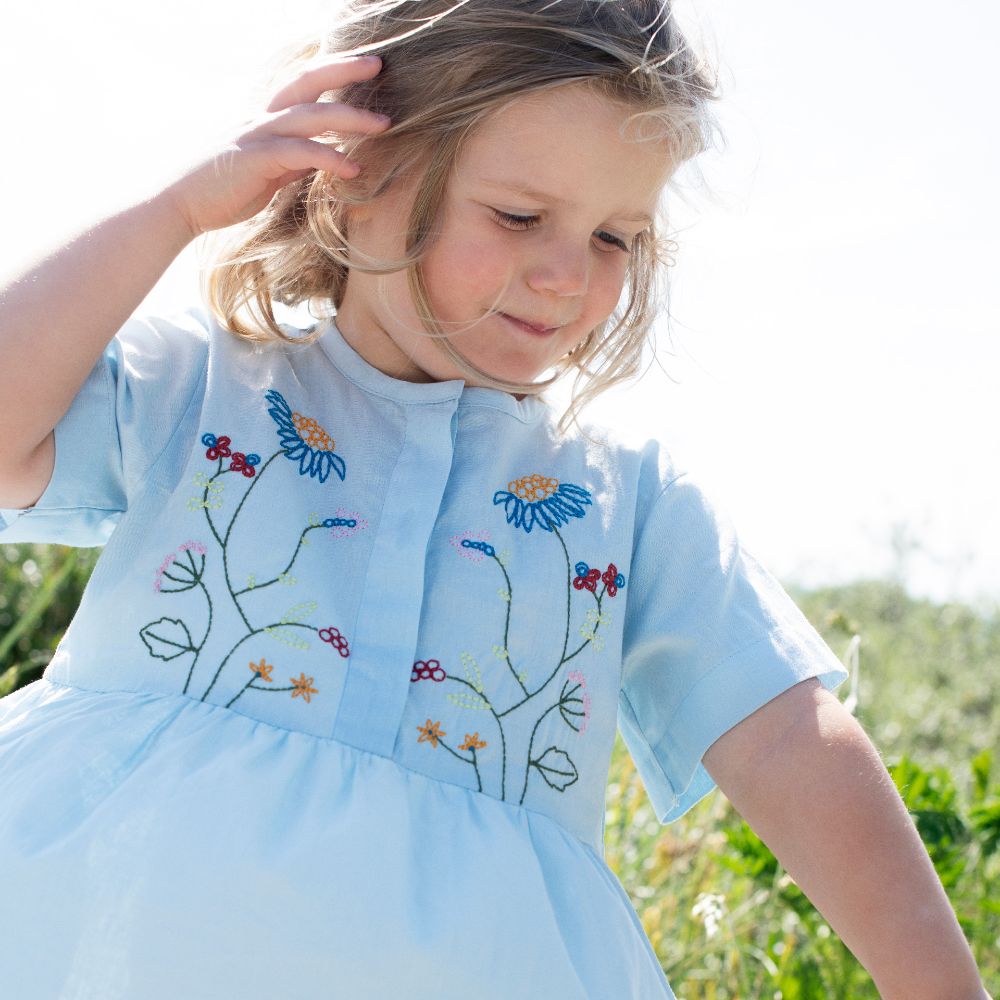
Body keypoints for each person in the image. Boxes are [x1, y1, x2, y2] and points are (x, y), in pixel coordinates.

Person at [0, 1, 989, 997]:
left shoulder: (624, 501)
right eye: (519, 216)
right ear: (357, 171)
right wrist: (179, 209)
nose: (566, 274)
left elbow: (785, 741)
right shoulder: (205, 390)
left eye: (616, 236)